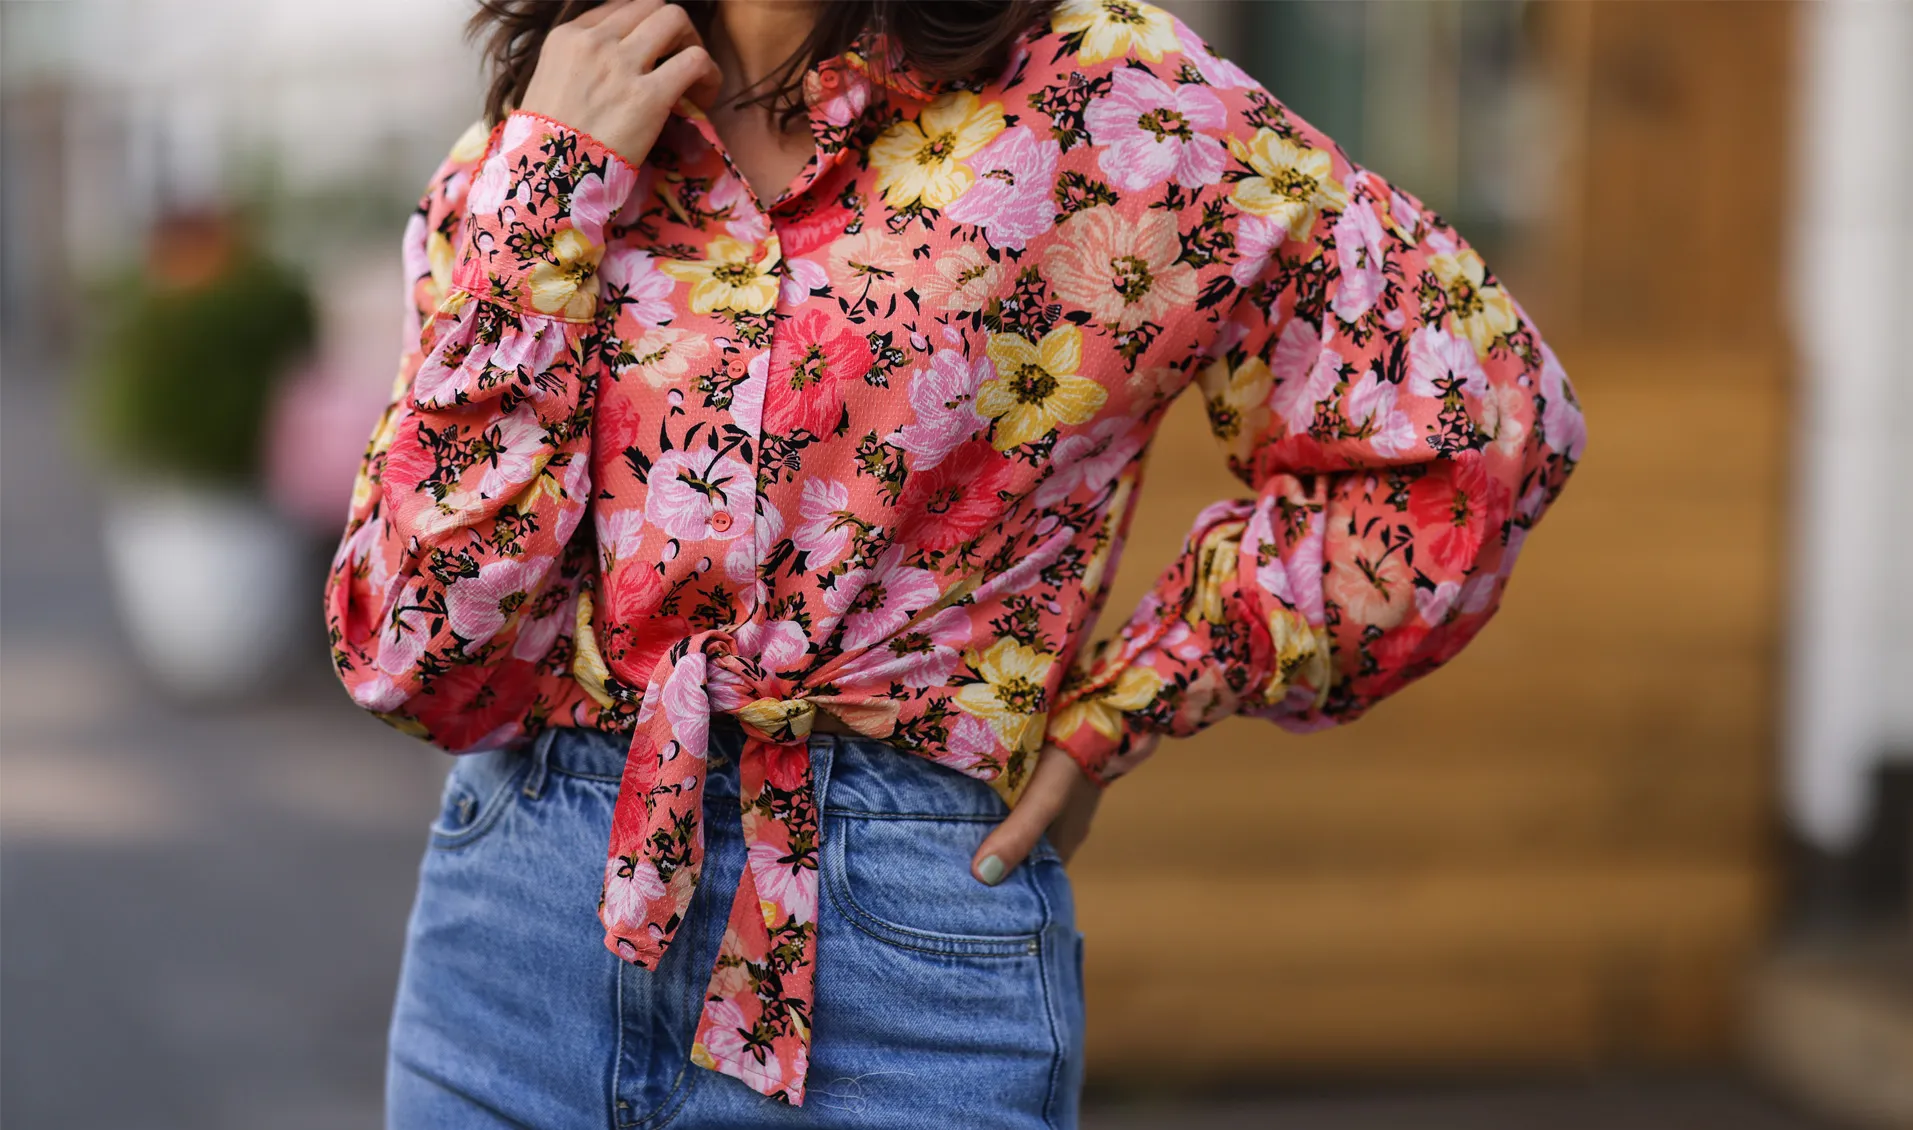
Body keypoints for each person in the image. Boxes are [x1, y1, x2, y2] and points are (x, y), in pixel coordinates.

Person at [324, 0, 1586, 1125]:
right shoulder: (546, 131)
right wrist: (551, 178)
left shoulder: (1108, 96)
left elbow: (1474, 420)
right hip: (518, 939)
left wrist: (1128, 701)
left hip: (899, 967)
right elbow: (417, 653)